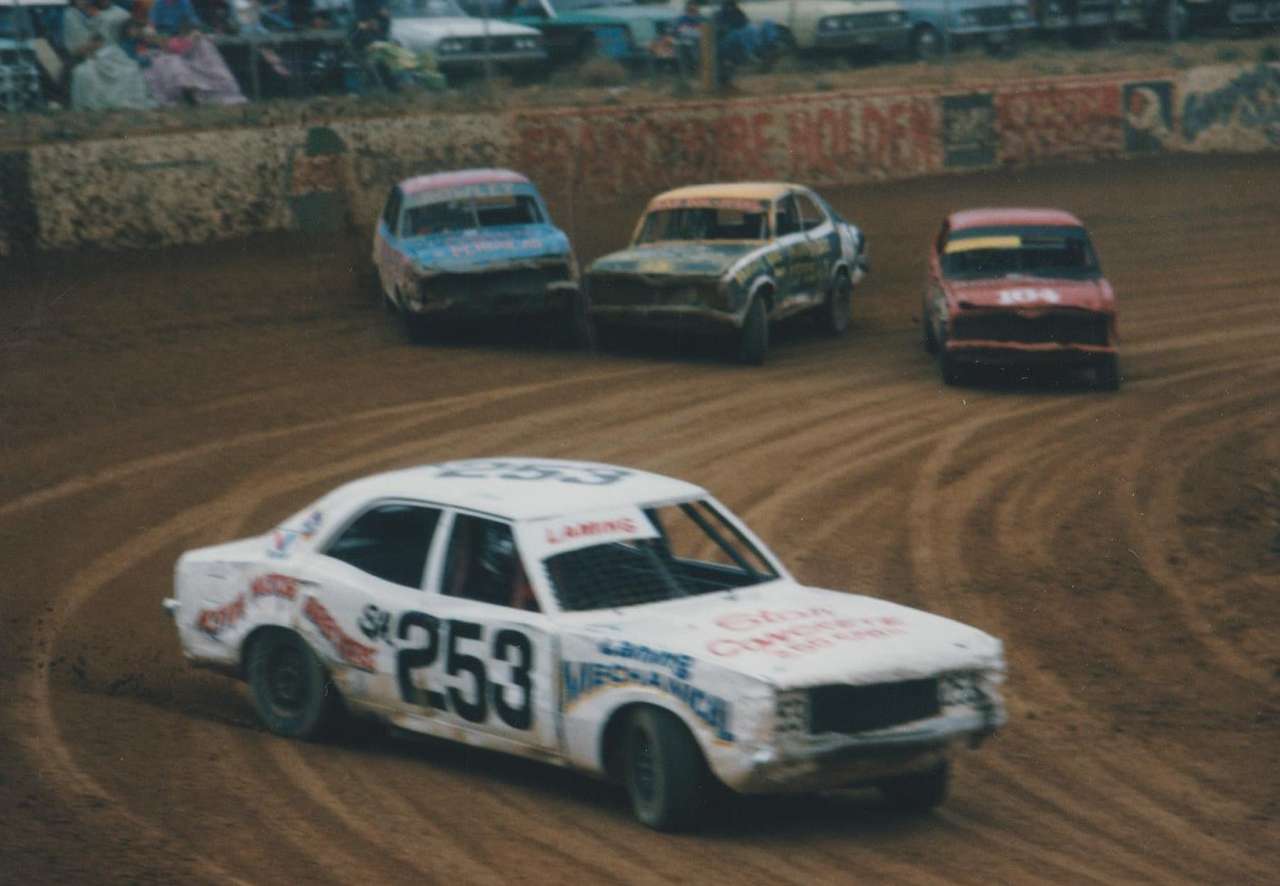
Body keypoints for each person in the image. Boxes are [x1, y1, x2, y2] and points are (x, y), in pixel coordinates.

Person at [62, 0, 155, 110]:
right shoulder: (73, 15)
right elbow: (77, 48)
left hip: (113, 53)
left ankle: (123, 102)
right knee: (85, 73)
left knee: (129, 70)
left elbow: (133, 29)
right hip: (90, 56)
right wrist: (92, 47)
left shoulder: (119, 13)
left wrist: (141, 31)